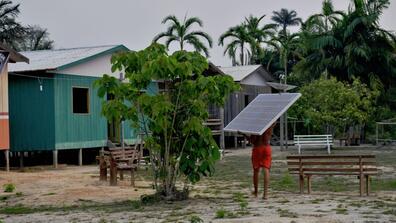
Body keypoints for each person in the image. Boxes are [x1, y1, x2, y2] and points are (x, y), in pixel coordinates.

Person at [242, 123, 276, 200]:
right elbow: (274, 123)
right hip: (267, 148)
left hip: (258, 149)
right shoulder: (270, 125)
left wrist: (244, 134)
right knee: (266, 169)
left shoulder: (256, 125)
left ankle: (256, 192)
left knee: (256, 170)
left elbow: (252, 141)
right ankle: (265, 194)